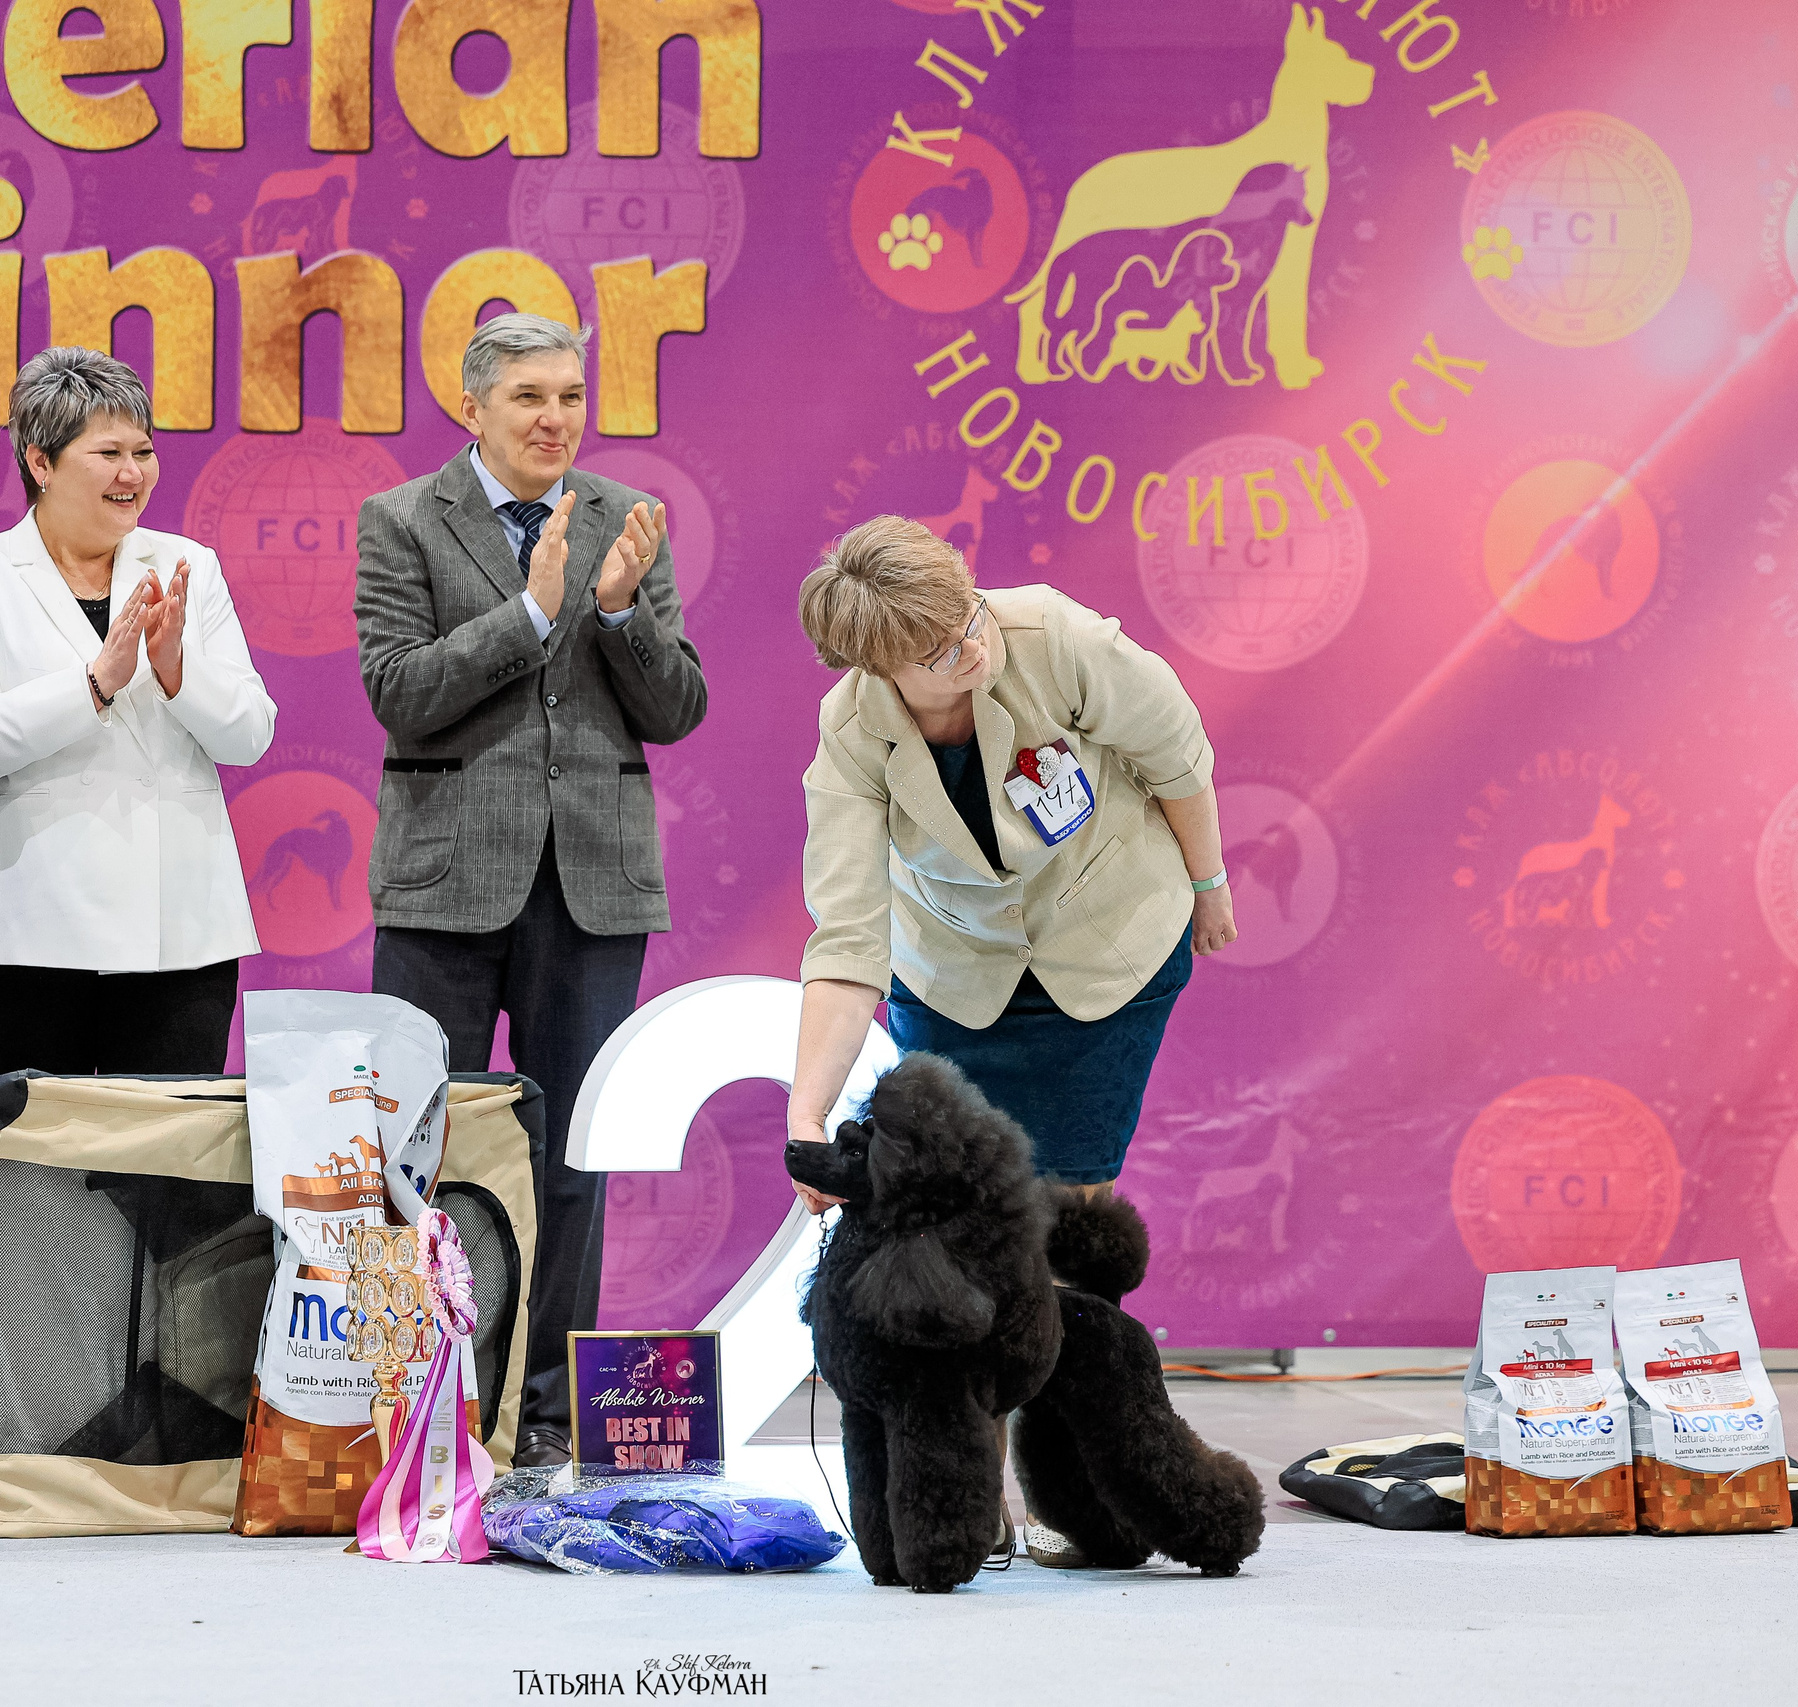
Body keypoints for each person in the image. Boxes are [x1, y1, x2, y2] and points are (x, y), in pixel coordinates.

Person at [782, 516, 1235, 1562]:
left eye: (965, 618)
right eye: (934, 649)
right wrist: (805, 1114)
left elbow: (1177, 754)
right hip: (957, 981)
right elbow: (847, 937)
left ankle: (1092, 1498)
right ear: (874, 666)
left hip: (1111, 945)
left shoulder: (1054, 636)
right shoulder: (850, 736)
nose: (968, 647)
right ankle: (962, 1503)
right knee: (952, 1238)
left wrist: (1208, 885)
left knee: (1066, 1231)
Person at [355, 312, 710, 1464]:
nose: (554, 417)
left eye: (569, 394)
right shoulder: (401, 520)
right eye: (529, 399)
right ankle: (421, 1411)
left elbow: (676, 710)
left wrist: (613, 613)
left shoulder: (623, 520)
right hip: (444, 889)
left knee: (573, 1161)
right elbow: (400, 693)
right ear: (475, 407)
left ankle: (553, 1420)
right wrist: (530, 616)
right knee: (420, 1159)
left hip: (593, 888)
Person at [0, 347, 275, 1087]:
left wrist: (176, 669)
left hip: (179, 930)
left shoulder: (189, 564)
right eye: (108, 452)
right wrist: (97, 680)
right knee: (30, 1178)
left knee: (165, 1183)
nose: (133, 473)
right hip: (22, 931)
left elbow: (249, 732)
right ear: (41, 462)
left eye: (143, 452)